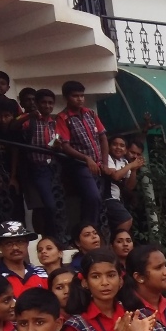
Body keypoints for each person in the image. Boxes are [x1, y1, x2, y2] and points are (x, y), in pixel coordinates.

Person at [54, 80, 109, 232]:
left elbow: (103, 137)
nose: (79, 99)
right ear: (66, 98)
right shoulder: (62, 118)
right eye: (75, 96)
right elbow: (64, 146)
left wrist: (104, 163)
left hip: (98, 165)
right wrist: (86, 159)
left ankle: (92, 230)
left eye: (82, 95)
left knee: (99, 199)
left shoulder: (90, 113)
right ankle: (89, 230)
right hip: (80, 165)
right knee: (93, 197)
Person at [22, 89, 68, 245]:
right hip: (33, 167)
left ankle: (52, 238)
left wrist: (58, 146)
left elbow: (55, 144)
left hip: (50, 169)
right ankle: (46, 239)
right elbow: (13, 126)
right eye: (44, 102)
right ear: (37, 103)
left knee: (52, 205)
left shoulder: (54, 123)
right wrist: (28, 115)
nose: (47, 106)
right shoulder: (29, 120)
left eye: (50, 103)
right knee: (42, 206)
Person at [0, 221, 49, 297]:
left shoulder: (41, 273)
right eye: (8, 243)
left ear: (27, 243)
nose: (15, 247)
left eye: (20, 242)